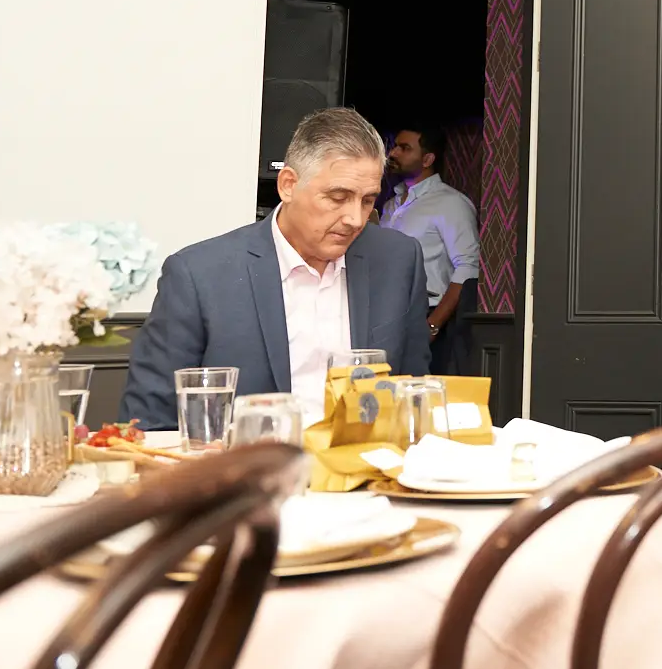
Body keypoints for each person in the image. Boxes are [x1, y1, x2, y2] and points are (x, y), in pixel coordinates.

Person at [122, 108, 429, 430]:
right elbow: (149, 423)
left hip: (367, 459)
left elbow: (415, 398)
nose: (355, 218)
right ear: (288, 185)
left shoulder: (398, 260)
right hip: (247, 461)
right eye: (338, 197)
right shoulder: (200, 276)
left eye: (367, 201)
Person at [380, 123, 480, 375]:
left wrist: (433, 326)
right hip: (389, 319)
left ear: (427, 159)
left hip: (430, 317)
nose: (393, 153)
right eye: (395, 146)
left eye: (404, 148)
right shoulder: (390, 205)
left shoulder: (451, 203)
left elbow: (468, 267)